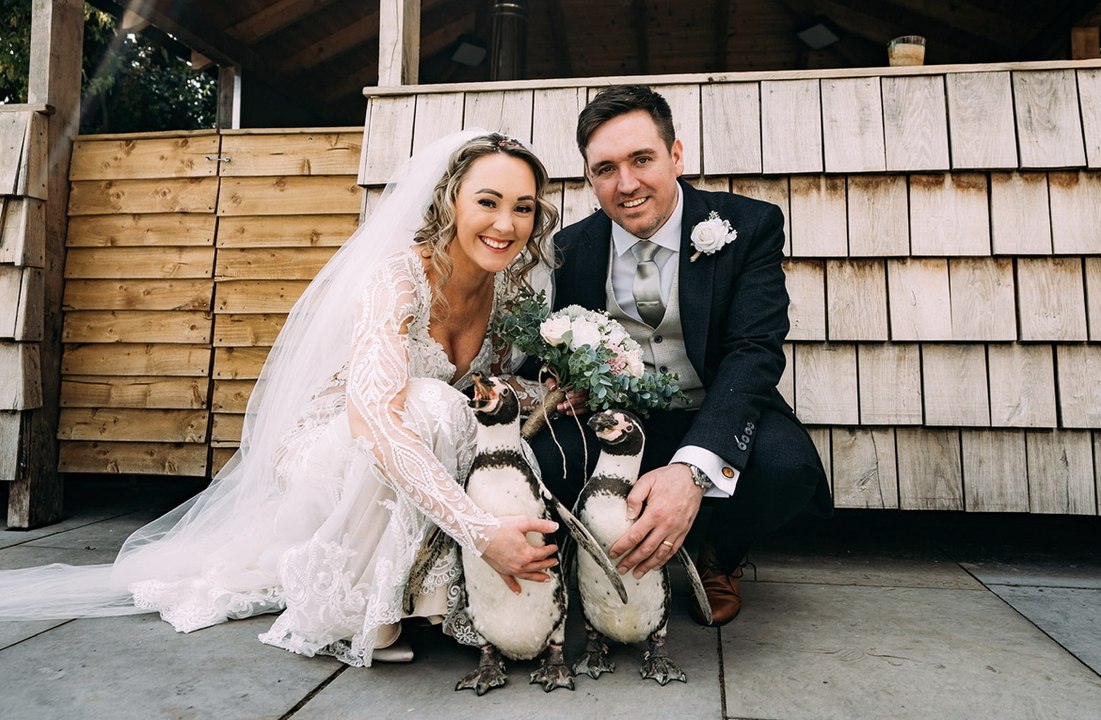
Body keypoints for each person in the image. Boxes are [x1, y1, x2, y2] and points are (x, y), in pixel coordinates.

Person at [0, 131, 562, 666]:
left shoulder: (509, 293)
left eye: (523, 208)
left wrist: (551, 397)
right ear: (451, 202)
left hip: (406, 445)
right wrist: (478, 529)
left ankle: (427, 598)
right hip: (334, 445)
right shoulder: (397, 280)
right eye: (487, 202)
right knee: (431, 404)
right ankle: (353, 611)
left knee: (453, 412)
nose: (506, 224)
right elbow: (377, 421)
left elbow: (486, 391)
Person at [528, 85, 834, 626]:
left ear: (676, 155)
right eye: (605, 169)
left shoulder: (746, 226)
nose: (626, 185)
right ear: (589, 176)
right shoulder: (572, 247)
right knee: (542, 462)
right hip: (619, 420)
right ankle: (595, 557)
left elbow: (753, 351)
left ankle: (719, 551)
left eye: (642, 159)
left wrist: (693, 471)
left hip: (714, 405)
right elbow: (556, 344)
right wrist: (564, 379)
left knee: (787, 469)